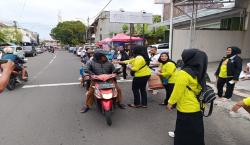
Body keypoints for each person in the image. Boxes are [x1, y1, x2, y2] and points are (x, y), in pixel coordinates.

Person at [167, 49, 208, 145]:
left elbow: (177, 91)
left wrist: (170, 102)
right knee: (196, 130)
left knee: (183, 131)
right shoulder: (201, 71)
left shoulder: (184, 73)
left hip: (186, 106)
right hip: (198, 105)